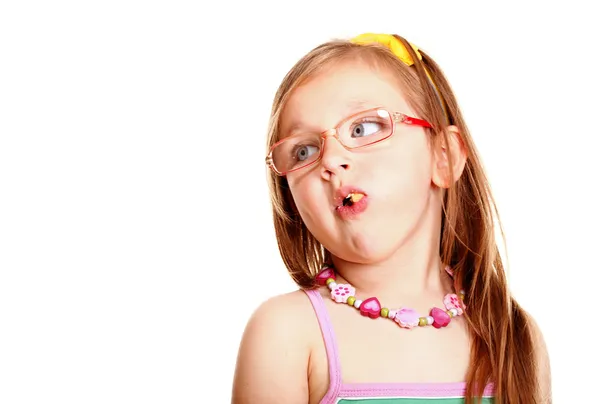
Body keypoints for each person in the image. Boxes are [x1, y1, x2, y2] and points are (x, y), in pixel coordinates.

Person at [231, 33, 551, 403]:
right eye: (304, 150)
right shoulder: (286, 333)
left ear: (443, 157)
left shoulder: (513, 336)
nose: (331, 160)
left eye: (363, 128)